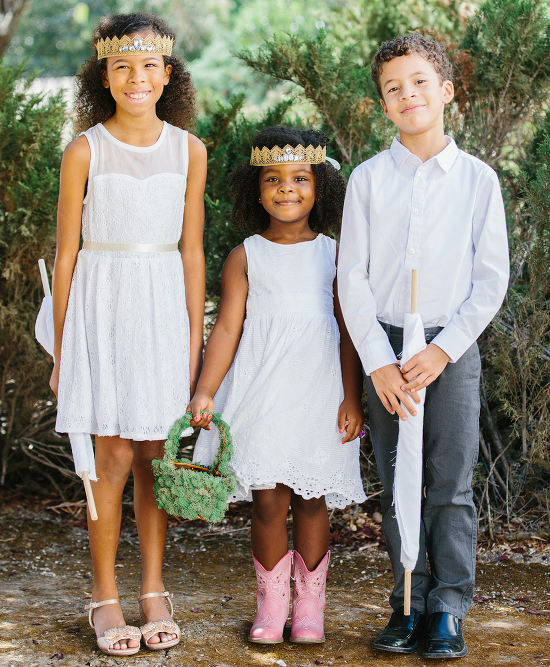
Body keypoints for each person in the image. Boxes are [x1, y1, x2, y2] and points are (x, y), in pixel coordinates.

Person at [337, 33, 510, 659]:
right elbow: (350, 277)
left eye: (418, 82)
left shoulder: (477, 180)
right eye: (392, 88)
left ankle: (448, 608)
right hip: (385, 343)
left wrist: (445, 350)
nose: (407, 94)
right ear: (382, 104)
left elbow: (491, 279)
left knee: (449, 482)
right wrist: (377, 363)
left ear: (446, 91)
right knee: (395, 477)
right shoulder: (367, 180)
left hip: (448, 345)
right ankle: (407, 599)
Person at [49, 13, 206, 656]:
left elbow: (192, 254)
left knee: (154, 456)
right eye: (122, 67)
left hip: (163, 308)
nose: (136, 78)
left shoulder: (188, 149)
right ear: (104, 76)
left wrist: (194, 346)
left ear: (167, 76)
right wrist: (63, 349)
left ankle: (153, 589)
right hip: (103, 306)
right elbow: (65, 256)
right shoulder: (86, 149)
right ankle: (104, 595)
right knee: (109, 458)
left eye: (149, 67)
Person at [188, 126, 366, 645]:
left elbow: (349, 333)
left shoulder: (335, 256)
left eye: (299, 179)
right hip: (261, 391)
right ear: (256, 188)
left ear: (321, 187)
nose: (286, 189)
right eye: (273, 179)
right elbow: (225, 328)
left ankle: (309, 609)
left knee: (312, 500)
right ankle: (271, 604)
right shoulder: (246, 256)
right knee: (267, 499)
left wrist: (352, 396)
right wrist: (205, 391)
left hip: (319, 393)